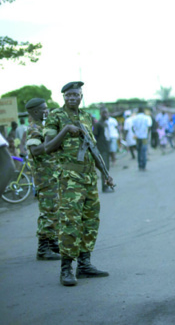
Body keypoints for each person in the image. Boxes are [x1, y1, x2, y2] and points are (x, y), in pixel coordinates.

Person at [43, 81, 113, 287]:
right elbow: (47, 147)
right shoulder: (55, 116)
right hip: (70, 179)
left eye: (76, 95)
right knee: (70, 223)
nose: (73, 98)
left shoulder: (86, 117)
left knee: (90, 221)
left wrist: (105, 174)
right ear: (63, 97)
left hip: (89, 177)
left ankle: (84, 265)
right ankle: (66, 269)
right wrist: (65, 130)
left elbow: (92, 148)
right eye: (69, 95)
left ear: (81, 97)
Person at [24, 98, 61, 260]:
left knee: (54, 210)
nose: (48, 111)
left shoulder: (45, 126)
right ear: (36, 112)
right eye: (45, 109)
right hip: (44, 177)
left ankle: (53, 243)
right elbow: (36, 150)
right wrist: (53, 142)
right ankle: (43, 248)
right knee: (48, 211)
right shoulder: (33, 128)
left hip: (51, 175)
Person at [93, 108, 113, 192]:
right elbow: (94, 136)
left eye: (107, 113)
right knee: (104, 168)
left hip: (106, 147)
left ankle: (107, 185)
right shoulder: (98, 124)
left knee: (107, 167)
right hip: (102, 148)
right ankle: (104, 187)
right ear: (101, 114)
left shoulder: (105, 123)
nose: (106, 114)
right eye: (104, 113)